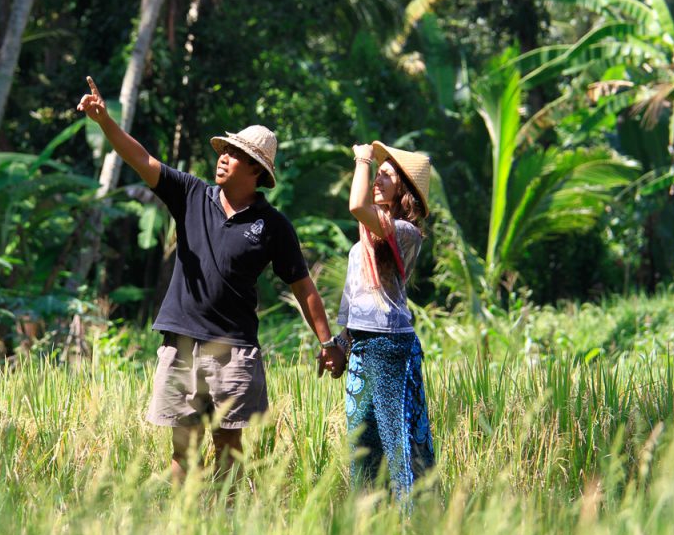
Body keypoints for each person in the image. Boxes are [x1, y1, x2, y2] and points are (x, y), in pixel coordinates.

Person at [76, 77, 346, 486]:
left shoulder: (272, 225)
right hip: (181, 342)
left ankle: (226, 528)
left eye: (235, 154)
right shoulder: (190, 194)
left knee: (229, 451)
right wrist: (105, 123)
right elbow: (141, 159)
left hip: (234, 351)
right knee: (182, 451)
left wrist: (327, 342)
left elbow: (303, 286)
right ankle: (179, 533)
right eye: (224, 150)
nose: (222, 158)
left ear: (256, 169)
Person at [337, 141, 435, 501]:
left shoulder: (404, 232)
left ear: (404, 191)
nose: (377, 178)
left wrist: (363, 158)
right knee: (363, 445)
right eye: (376, 173)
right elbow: (351, 301)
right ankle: (371, 527)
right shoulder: (359, 244)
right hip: (363, 346)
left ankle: (416, 528)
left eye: (387, 175)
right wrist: (339, 343)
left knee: (401, 446)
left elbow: (356, 204)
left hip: (391, 346)